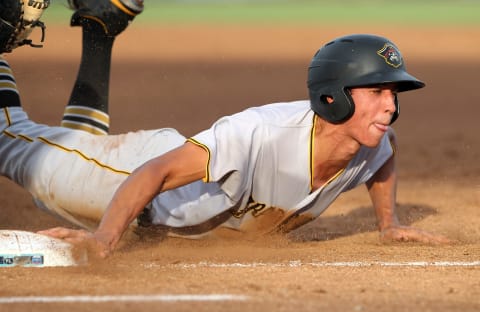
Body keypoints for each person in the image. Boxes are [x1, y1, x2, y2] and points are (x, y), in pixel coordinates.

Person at [0, 0, 451, 258]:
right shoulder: (259, 132)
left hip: (147, 216)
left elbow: (384, 157)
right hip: (126, 179)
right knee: (9, 142)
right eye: (377, 93)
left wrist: (388, 223)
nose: (390, 108)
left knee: (74, 150)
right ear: (333, 97)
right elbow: (155, 173)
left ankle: (101, 24)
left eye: (395, 94)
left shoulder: (371, 144)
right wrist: (104, 237)